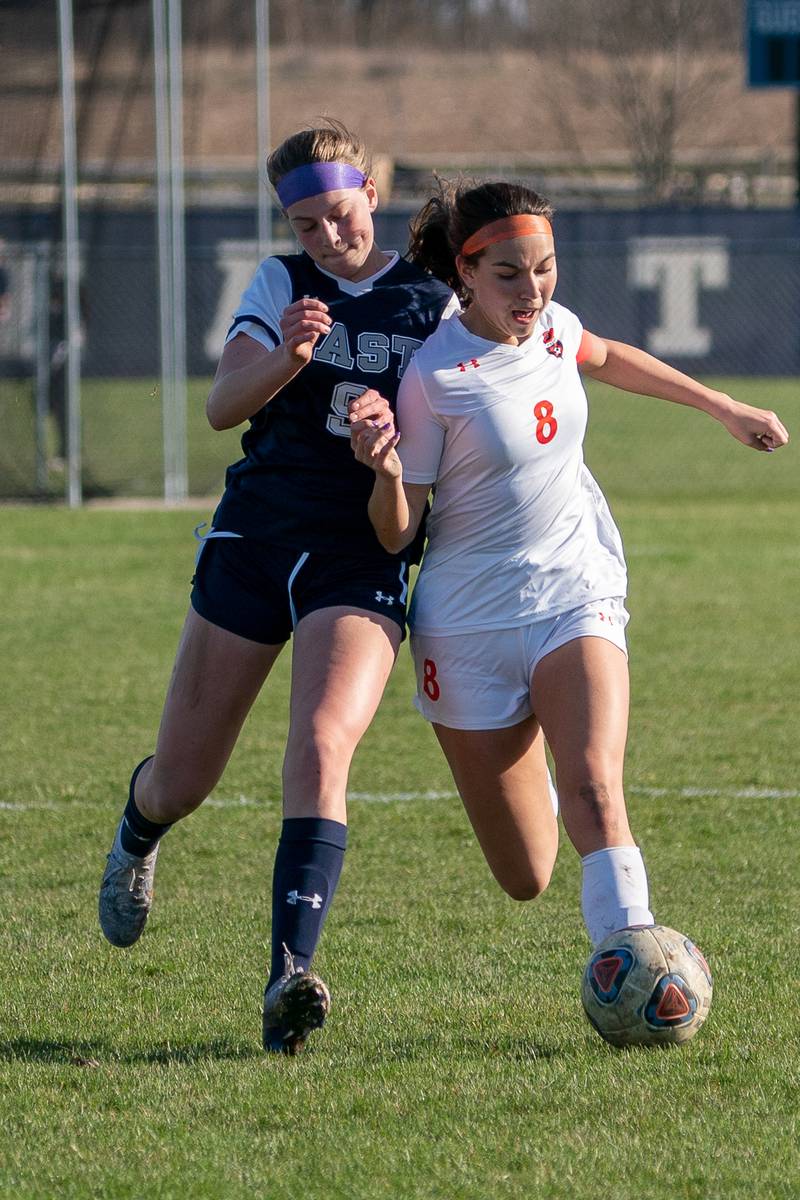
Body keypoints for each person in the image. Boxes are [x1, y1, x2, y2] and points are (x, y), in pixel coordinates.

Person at [351, 179, 788, 953]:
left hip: (573, 592)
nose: (532, 291)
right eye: (509, 275)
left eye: (545, 268)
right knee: (527, 873)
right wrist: (385, 473)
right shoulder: (433, 378)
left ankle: (633, 955)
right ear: (466, 272)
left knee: (594, 787)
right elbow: (396, 538)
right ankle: (546, 793)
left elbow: (610, 355)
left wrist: (722, 406)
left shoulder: (553, 327)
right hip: (467, 629)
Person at [98, 120, 456, 1055]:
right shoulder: (280, 284)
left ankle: (288, 977)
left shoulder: (431, 298)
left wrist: (394, 459)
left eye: (338, 216)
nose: (327, 239)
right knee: (183, 777)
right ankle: (139, 835)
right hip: (257, 538)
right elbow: (222, 408)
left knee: (321, 744)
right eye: (305, 225)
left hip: (362, 552)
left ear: (371, 194)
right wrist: (287, 358)